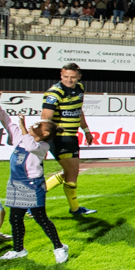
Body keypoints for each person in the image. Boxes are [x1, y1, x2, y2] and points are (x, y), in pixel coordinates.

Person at [0, 109, 70, 264]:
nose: (33, 126)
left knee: (40, 218)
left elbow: (30, 147)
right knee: (15, 218)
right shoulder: (22, 138)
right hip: (15, 183)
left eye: (38, 126)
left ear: (44, 134)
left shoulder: (42, 146)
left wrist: (23, 127)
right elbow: (7, 122)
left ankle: (59, 247)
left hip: (32, 185)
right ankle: (18, 250)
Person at [41, 63, 97, 217]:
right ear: (61, 75)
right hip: (59, 138)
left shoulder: (79, 88)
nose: (69, 80)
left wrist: (86, 130)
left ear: (79, 76)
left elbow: (78, 111)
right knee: (72, 172)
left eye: (73, 77)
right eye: (66, 77)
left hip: (71, 137)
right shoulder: (54, 93)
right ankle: (74, 209)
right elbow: (45, 119)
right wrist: (44, 142)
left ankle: (35, 201)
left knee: (70, 172)